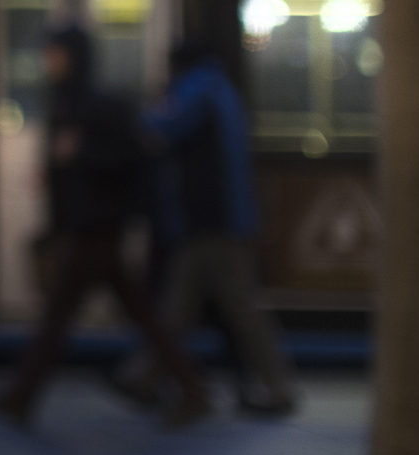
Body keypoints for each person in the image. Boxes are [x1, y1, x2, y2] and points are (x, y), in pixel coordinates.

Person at [0, 26, 210, 427]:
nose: (49, 62)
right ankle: (192, 389)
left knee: (63, 316)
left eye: (56, 54)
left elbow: (133, 155)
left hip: (100, 229)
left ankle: (21, 397)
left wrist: (82, 153)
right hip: (87, 228)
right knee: (134, 314)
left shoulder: (99, 105)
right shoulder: (67, 102)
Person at [115, 42, 297, 416]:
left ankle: (279, 388)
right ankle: (145, 376)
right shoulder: (219, 88)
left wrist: (129, 115)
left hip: (211, 224)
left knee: (230, 308)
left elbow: (161, 126)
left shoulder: (198, 91)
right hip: (219, 221)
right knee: (185, 306)